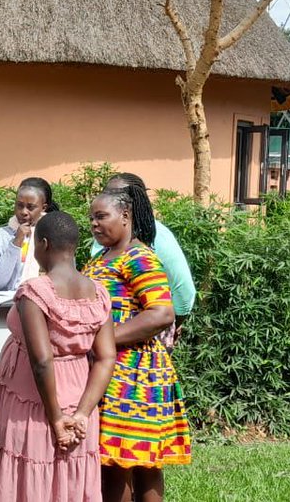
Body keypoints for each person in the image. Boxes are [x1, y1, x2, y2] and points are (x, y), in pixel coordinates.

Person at [0, 212, 117, 502]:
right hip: (80, 396)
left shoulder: (35, 291)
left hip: (35, 401)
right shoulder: (98, 292)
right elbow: (106, 357)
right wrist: (82, 414)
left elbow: (42, 361)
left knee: (32, 474)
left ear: (43, 244)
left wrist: (56, 419)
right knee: (70, 474)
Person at [83, 185, 191, 502]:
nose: (94, 224)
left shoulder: (139, 258)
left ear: (126, 216)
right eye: (91, 218)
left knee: (124, 463)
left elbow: (161, 313)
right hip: (112, 371)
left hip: (134, 376)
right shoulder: (102, 257)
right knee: (121, 464)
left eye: (101, 216)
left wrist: (103, 341)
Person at [90, 173, 196, 350]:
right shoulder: (105, 242)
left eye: (116, 194)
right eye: (106, 192)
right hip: (106, 347)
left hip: (137, 346)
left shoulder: (150, 245)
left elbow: (182, 292)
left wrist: (173, 326)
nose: (108, 198)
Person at [0, 177, 59, 291]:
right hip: (8, 302)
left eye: (30, 207)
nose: (24, 212)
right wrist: (16, 242)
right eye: (19, 205)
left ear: (43, 208)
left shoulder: (54, 235)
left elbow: (63, 278)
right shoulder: (0, 236)